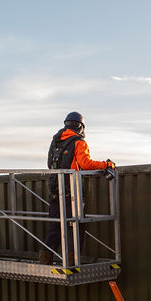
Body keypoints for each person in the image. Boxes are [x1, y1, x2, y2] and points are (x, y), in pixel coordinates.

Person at [40, 111, 115, 265]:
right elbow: (86, 163)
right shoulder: (79, 142)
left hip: (55, 189)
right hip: (71, 192)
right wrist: (106, 165)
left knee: (55, 226)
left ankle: (45, 259)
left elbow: (49, 164)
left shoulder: (55, 141)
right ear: (81, 127)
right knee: (76, 226)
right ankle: (73, 262)